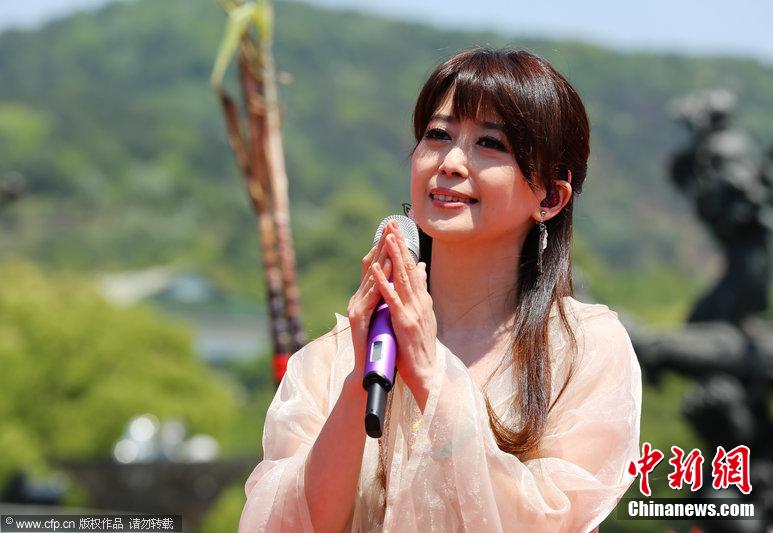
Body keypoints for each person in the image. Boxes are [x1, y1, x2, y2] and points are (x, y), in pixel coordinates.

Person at [239, 47, 642, 532]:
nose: (450, 162)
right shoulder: (335, 358)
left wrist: (430, 375)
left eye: (490, 143)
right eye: (437, 135)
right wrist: (358, 382)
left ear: (551, 197)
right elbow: (291, 524)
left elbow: (546, 521)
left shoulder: (583, 348)